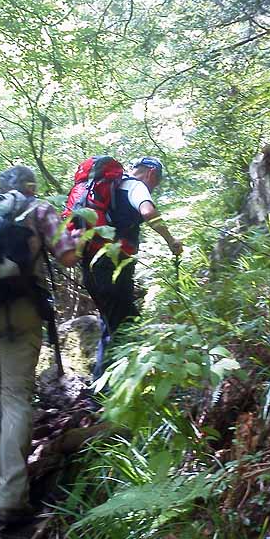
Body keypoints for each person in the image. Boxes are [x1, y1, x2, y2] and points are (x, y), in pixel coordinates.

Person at [0, 165, 79, 527]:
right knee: (15, 396)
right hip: (19, 311)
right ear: (31, 187)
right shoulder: (39, 208)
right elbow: (68, 255)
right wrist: (80, 234)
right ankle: (11, 498)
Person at [81, 155, 183, 379]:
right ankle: (109, 389)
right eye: (156, 183)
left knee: (113, 322)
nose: (154, 187)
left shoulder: (103, 189)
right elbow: (148, 212)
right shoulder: (136, 186)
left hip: (90, 265)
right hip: (113, 266)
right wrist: (171, 240)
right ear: (151, 173)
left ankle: (110, 384)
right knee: (124, 324)